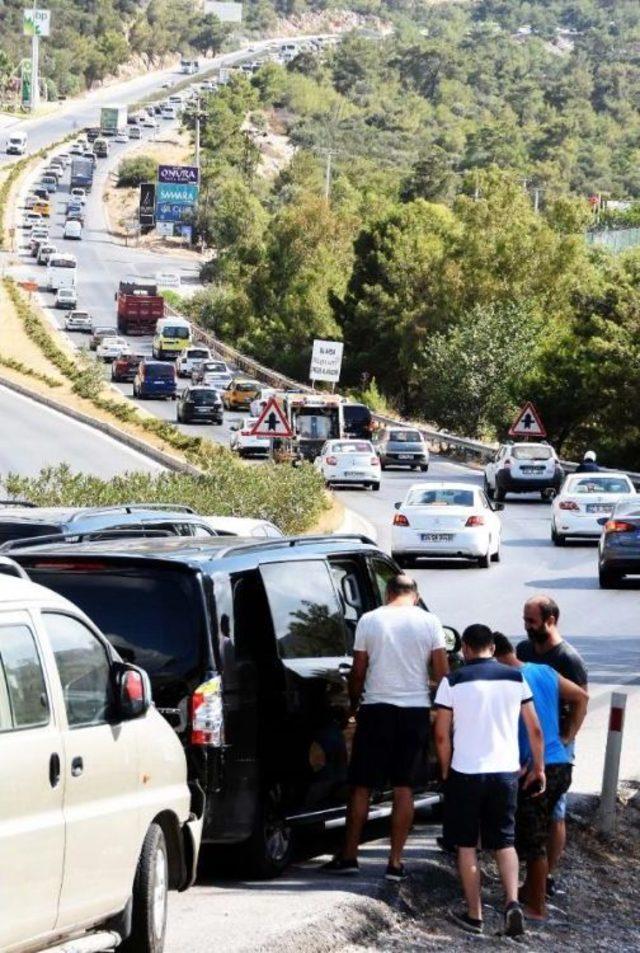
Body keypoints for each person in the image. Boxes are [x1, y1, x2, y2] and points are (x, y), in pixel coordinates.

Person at [323, 574, 449, 881]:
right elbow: (442, 671)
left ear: (388, 593)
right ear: (415, 596)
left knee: (362, 784)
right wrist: (436, 705)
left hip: (376, 709)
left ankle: (350, 855)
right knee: (404, 787)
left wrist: (354, 704)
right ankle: (394, 862)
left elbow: (358, 671)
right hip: (415, 711)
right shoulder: (430, 622)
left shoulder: (369, 620)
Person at [434, 624, 544, 938]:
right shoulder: (515, 678)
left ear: (465, 649)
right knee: (505, 841)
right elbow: (534, 729)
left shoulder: (452, 681)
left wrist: (445, 769)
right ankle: (511, 903)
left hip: (466, 772)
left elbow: (441, 734)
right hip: (505, 773)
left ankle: (475, 914)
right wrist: (539, 767)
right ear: (492, 649)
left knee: (467, 844)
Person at [493, 633, 588, 920]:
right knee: (539, 831)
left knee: (534, 842)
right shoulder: (543, 671)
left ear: (496, 656)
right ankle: (529, 890)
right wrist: (567, 736)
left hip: (538, 769)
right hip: (561, 764)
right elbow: (581, 697)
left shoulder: (508, 681)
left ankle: (537, 906)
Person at [517, 596, 588, 894]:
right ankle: (531, 874)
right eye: (525, 620)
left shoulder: (567, 658)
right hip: (526, 743)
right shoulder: (523, 650)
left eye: (532, 621)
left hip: (556, 747)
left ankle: (545, 878)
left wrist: (568, 735)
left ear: (551, 620)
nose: (527, 627)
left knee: (554, 812)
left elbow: (581, 700)